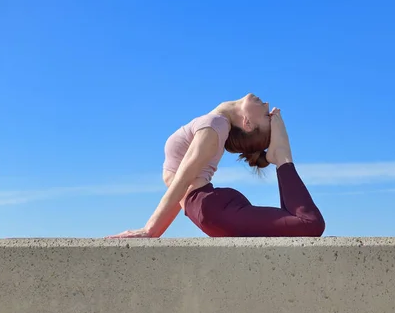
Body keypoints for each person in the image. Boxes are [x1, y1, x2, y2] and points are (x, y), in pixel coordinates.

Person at [106, 93, 325, 238]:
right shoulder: (215, 124)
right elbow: (181, 187)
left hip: (212, 208)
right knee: (304, 224)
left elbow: (183, 180)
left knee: (309, 224)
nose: (267, 104)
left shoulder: (215, 125)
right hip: (209, 208)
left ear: (247, 124)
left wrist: (150, 231)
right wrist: (153, 231)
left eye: (266, 116)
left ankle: (281, 156)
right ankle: (280, 156)